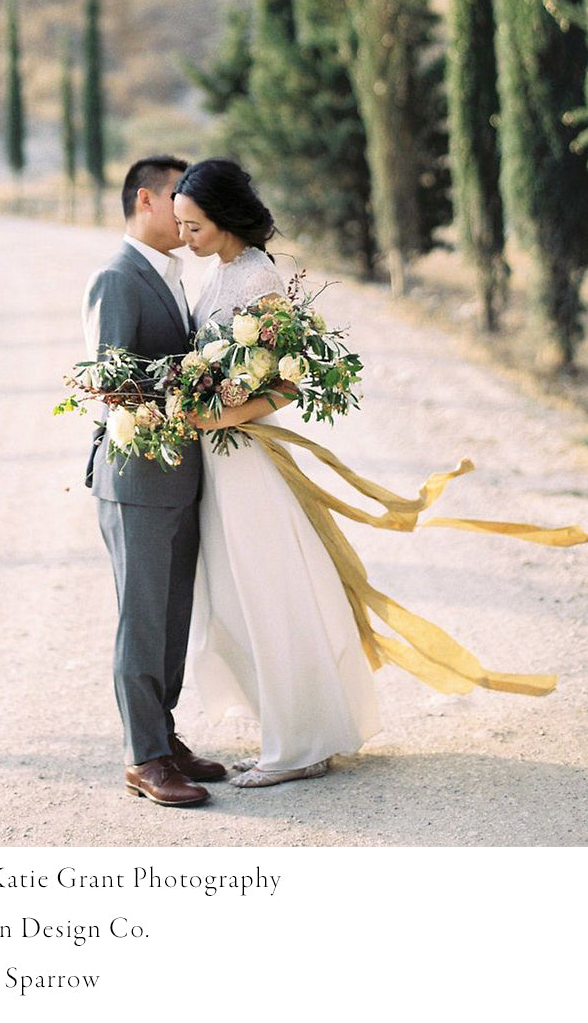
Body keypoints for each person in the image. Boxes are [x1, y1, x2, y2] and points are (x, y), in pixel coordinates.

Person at [172, 157, 382, 787]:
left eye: (194, 228)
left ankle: (297, 747)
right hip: (219, 462)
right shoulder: (223, 272)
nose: (186, 239)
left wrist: (222, 417)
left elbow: (289, 382)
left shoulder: (258, 278)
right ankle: (291, 731)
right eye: (180, 226)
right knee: (238, 598)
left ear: (225, 219)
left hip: (244, 461)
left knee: (268, 592)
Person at [82, 155, 226, 807]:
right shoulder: (117, 277)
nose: (190, 213)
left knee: (171, 619)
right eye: (179, 198)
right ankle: (144, 758)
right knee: (142, 622)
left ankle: (165, 739)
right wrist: (194, 378)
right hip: (136, 478)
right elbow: (110, 382)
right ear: (146, 199)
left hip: (176, 476)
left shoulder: (169, 275)